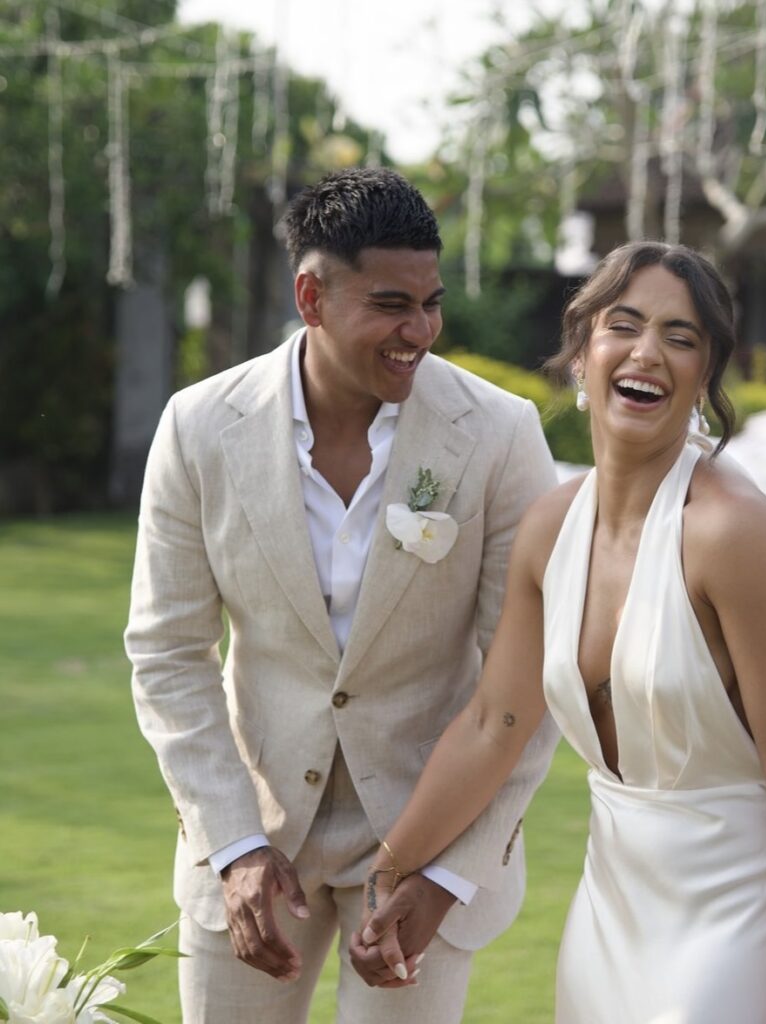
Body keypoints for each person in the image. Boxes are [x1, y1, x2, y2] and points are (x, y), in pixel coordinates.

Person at [354, 242, 766, 1024]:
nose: (648, 352)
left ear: (704, 376)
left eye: (680, 338)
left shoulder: (737, 534)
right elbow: (494, 724)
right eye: (624, 325)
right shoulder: (550, 526)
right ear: (583, 352)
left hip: (739, 911)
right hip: (609, 907)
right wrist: (392, 872)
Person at [125, 167, 559, 1024]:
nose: (420, 332)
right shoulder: (198, 426)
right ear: (311, 297)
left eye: (431, 303)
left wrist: (447, 875)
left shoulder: (502, 434)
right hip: (252, 833)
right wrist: (236, 844)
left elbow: (526, 680)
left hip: (427, 826)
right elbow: (168, 652)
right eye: (392, 305)